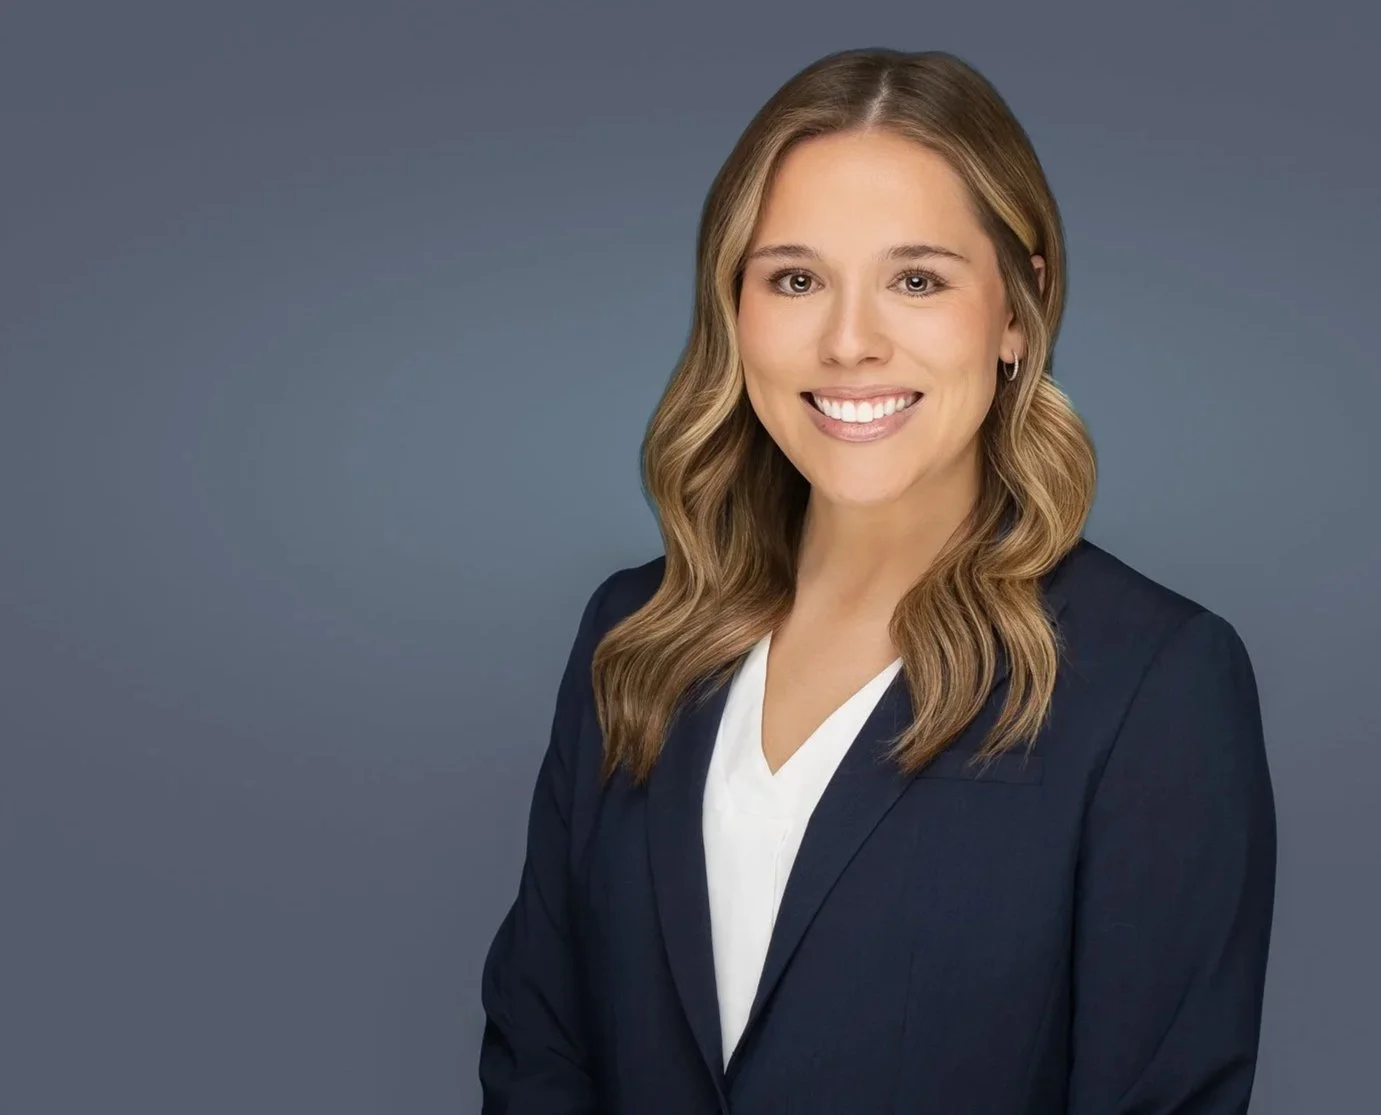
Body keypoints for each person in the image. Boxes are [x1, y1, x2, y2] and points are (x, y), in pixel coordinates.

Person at [478, 46, 1277, 1115]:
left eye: (916, 279)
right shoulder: (632, 636)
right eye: (795, 279)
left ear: (1015, 308)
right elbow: (540, 1057)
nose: (849, 341)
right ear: (734, 306)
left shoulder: (1155, 686)